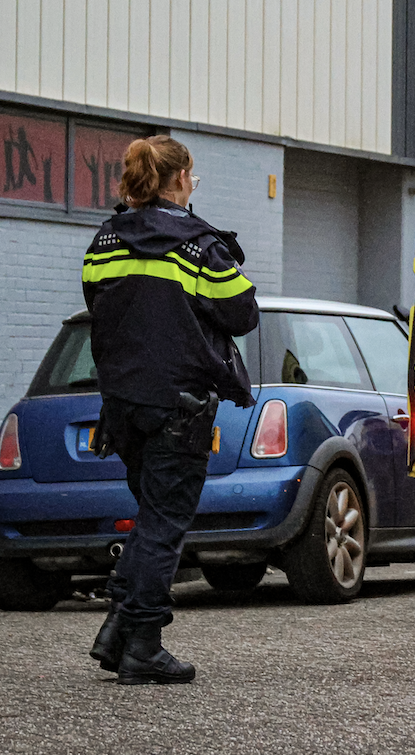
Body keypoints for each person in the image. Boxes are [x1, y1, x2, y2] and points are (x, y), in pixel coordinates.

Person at [82, 135, 259, 684]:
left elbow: (96, 304)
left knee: (150, 517)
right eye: (192, 178)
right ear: (180, 180)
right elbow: (243, 314)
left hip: (122, 406)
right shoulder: (199, 247)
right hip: (178, 408)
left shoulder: (104, 240)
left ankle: (118, 628)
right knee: (164, 523)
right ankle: (144, 645)